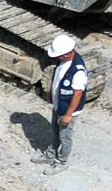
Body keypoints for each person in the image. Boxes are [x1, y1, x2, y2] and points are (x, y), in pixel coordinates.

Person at [34, 32, 90, 166]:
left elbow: (77, 94)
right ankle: (50, 154)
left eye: (58, 55)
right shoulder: (63, 62)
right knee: (55, 132)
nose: (57, 58)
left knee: (65, 138)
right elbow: (58, 77)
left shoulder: (77, 71)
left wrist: (68, 115)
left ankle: (61, 162)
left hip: (67, 110)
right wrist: (51, 94)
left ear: (66, 54)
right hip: (59, 105)